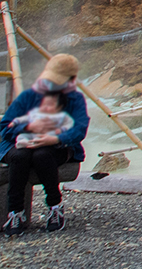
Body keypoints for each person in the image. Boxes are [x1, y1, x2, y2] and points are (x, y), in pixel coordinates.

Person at [2, 53, 88, 235]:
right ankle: (15, 212)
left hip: (55, 146)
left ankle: (55, 206)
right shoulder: (28, 96)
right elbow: (5, 127)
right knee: (20, 156)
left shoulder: (75, 99)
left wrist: (55, 138)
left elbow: (80, 129)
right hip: (20, 144)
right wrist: (29, 126)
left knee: (42, 156)